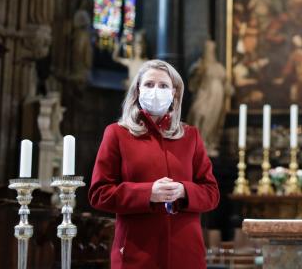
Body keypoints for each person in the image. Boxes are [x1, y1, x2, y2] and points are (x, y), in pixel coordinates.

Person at [89, 59, 220, 268]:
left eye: (163, 85)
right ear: (137, 91)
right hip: (136, 253)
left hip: (185, 254)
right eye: (149, 84)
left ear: (174, 93)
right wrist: (148, 193)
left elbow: (211, 194)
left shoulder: (191, 136)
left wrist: (184, 191)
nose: (156, 90)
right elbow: (99, 194)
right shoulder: (117, 133)